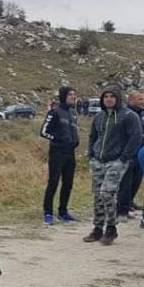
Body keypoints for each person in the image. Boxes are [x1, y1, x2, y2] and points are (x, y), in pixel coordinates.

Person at [84, 85, 143, 245]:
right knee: (98, 195)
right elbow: (92, 136)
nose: (108, 99)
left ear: (118, 98)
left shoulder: (128, 116)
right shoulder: (99, 117)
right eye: (105, 96)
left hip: (116, 161)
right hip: (98, 160)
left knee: (107, 193)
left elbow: (136, 137)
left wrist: (124, 157)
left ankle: (111, 228)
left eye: (112, 96)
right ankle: (97, 228)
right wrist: (91, 154)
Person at [40, 86, 80, 224]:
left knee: (68, 183)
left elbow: (74, 131)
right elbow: (44, 132)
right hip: (57, 152)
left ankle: (63, 212)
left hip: (70, 153)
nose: (73, 97)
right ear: (64, 96)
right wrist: (58, 139)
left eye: (74, 95)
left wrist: (76, 141)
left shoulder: (74, 113)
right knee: (53, 182)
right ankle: (48, 213)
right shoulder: (55, 112)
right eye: (70, 95)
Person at [117, 91, 144, 219]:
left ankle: (129, 203)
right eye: (140, 99)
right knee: (125, 183)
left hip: (142, 153)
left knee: (136, 181)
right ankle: (121, 209)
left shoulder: (142, 114)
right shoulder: (126, 114)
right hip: (130, 153)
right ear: (131, 100)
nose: (143, 102)